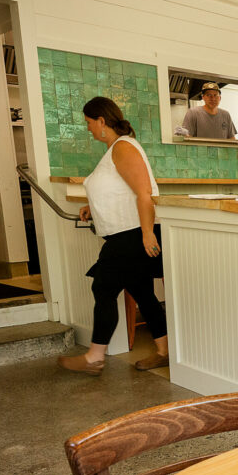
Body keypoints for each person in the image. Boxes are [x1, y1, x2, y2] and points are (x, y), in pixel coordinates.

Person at [57, 96, 167, 376]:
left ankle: (95, 357)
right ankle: (164, 351)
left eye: (89, 123)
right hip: (126, 234)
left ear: (102, 121)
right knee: (143, 293)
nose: (88, 129)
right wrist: (92, 208)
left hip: (131, 236)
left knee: (103, 288)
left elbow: (144, 193)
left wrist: (146, 235)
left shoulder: (123, 147)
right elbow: (121, 191)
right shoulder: (115, 149)